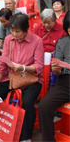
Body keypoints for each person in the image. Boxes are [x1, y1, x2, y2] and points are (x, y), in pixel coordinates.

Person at [0, 13, 44, 142]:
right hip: (11, 78)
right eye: (12, 30)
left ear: (26, 29)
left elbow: (39, 67)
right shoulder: (8, 39)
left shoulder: (37, 41)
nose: (14, 34)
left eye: (17, 31)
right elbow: (2, 63)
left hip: (30, 79)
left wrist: (23, 68)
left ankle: (26, 137)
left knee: (27, 102)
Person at [38, 11, 70, 141]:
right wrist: (56, 70)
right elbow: (58, 71)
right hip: (65, 83)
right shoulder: (62, 42)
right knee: (44, 107)